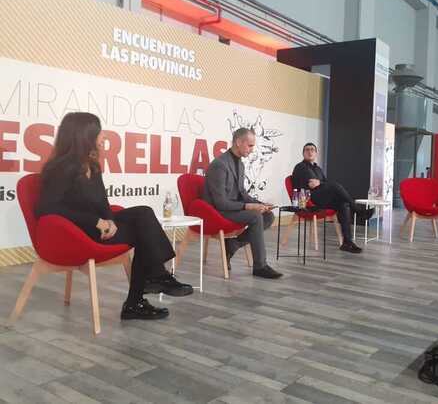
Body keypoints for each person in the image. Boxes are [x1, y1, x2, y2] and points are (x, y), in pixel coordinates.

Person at [37, 112, 192, 321]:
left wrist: (109, 219)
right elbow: (46, 208)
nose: (103, 137)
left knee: (144, 214)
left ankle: (154, 280)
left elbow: (103, 203)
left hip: (99, 228)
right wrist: (95, 221)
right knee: (143, 234)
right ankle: (144, 291)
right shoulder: (62, 168)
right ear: (85, 136)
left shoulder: (92, 165)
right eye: (99, 132)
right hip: (78, 234)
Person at [204, 128, 283, 279]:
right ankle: (260, 266)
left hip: (233, 208)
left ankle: (233, 245)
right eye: (250, 145)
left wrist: (260, 204)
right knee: (255, 217)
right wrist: (248, 206)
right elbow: (220, 203)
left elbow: (242, 193)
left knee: (268, 216)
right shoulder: (219, 165)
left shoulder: (239, 163)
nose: (252, 150)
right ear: (239, 142)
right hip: (218, 211)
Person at [291, 143, 374, 254]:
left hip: (321, 198)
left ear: (316, 153)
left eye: (312, 149)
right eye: (307, 150)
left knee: (343, 204)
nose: (310, 151)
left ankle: (347, 242)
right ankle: (358, 211)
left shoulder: (318, 169)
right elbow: (313, 183)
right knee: (335, 185)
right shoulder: (301, 167)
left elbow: (323, 184)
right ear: (303, 153)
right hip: (308, 199)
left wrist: (320, 182)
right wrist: (321, 183)